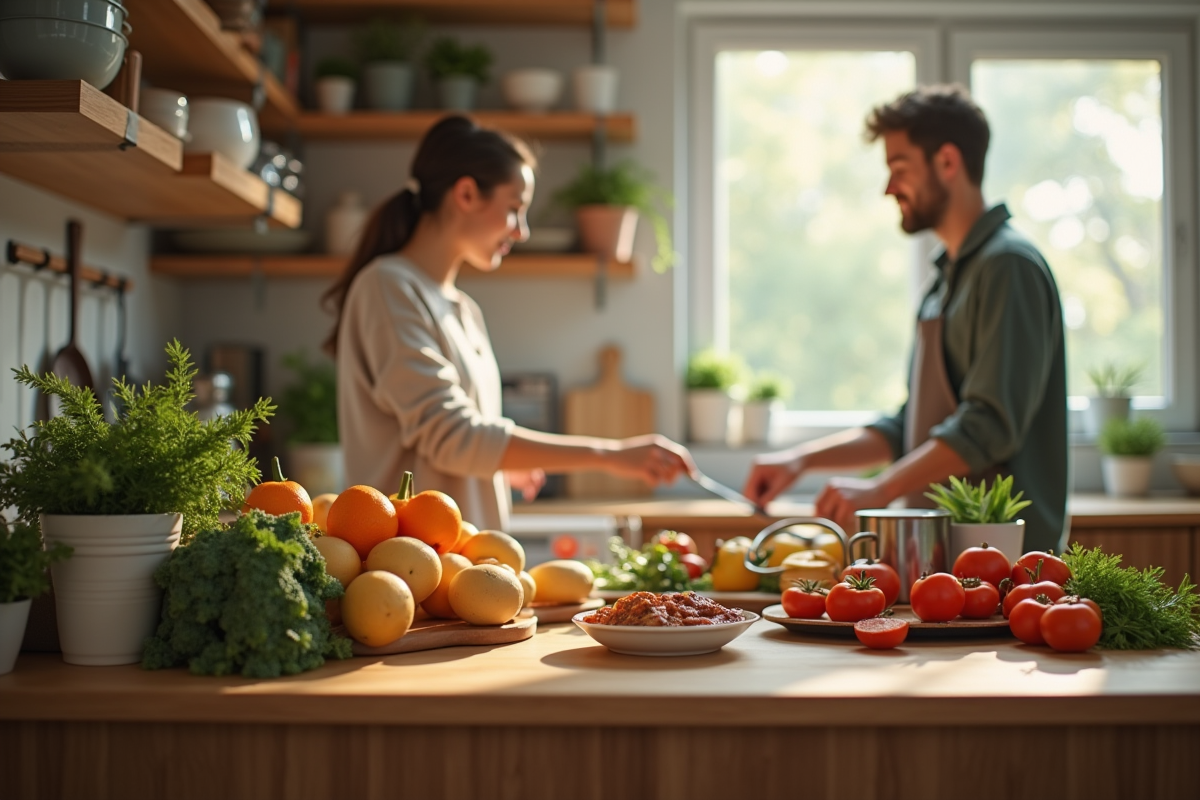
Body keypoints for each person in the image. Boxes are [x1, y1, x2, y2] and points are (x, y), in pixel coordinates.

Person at [323, 115, 695, 531]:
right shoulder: (387, 287)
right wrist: (609, 454)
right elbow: (451, 435)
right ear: (466, 193)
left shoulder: (463, 308)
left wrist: (498, 465)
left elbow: (460, 443)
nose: (522, 231)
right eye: (515, 210)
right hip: (407, 575)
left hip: (462, 568)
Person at [742, 84, 1068, 553]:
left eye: (899, 168)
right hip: (945, 554)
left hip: (1004, 558)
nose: (889, 187)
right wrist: (798, 461)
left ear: (948, 162)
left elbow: (988, 425)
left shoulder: (1008, 267)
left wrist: (880, 489)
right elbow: (910, 427)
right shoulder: (945, 280)